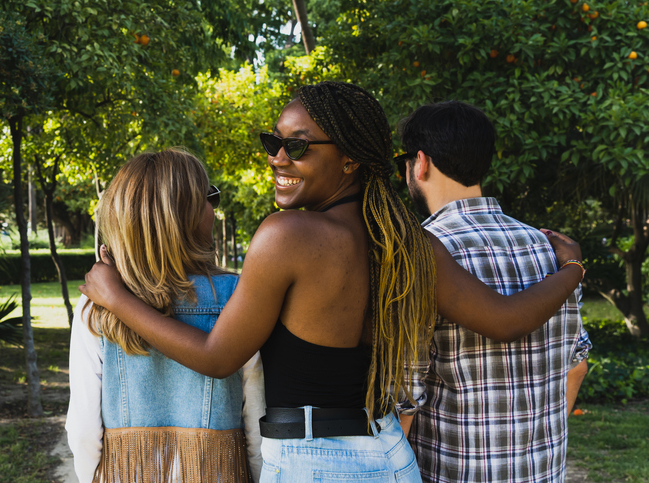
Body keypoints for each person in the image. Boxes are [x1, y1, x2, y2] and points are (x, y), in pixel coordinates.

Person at [79, 82, 585, 482]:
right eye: (273, 142)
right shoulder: (405, 240)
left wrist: (115, 296)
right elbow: (504, 319)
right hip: (388, 453)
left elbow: (217, 356)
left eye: (296, 146)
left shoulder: (287, 235)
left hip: (314, 461)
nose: (278, 157)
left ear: (349, 159)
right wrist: (571, 271)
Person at [395, 101, 592, 483]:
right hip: (541, 473)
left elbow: (405, 397)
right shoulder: (551, 249)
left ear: (420, 162)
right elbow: (577, 367)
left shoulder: (422, 254)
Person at [65, 149, 265, 483]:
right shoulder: (236, 297)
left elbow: (83, 429)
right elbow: (257, 419)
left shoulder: (96, 306)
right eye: (209, 198)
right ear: (183, 217)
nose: (214, 210)